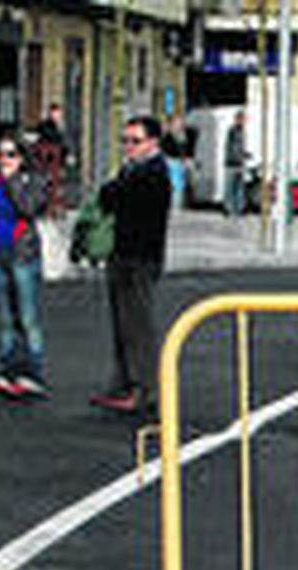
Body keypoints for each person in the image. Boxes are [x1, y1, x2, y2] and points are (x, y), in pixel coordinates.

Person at [91, 115, 171, 417]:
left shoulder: (154, 173)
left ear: (153, 142)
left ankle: (143, 389)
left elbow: (113, 197)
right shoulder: (132, 170)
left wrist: (116, 188)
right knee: (122, 324)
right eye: (124, 141)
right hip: (122, 255)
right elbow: (108, 197)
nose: (128, 147)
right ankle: (122, 383)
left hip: (141, 258)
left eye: (135, 141)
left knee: (138, 325)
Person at [0, 135, 50, 399]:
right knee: (7, 319)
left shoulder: (33, 181)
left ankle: (33, 373)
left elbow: (28, 208)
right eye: (1, 154)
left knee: (28, 318)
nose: (4, 160)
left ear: (22, 158)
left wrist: (12, 181)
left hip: (22, 254)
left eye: (11, 154)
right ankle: (8, 370)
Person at [224, 111, 248, 218]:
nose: (244, 121)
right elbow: (232, 147)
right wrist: (240, 155)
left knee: (239, 187)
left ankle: (239, 209)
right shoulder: (232, 131)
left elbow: (240, 147)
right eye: (242, 119)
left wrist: (245, 154)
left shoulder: (242, 131)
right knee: (231, 187)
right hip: (231, 163)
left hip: (239, 163)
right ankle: (229, 208)